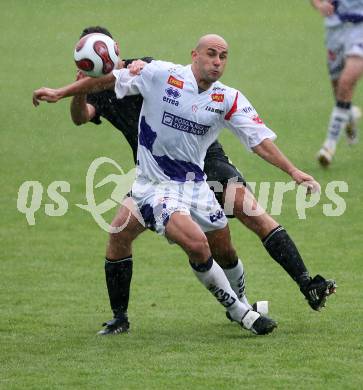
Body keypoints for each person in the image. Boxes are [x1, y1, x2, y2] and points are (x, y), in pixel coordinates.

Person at [33, 33, 336, 337]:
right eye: (211, 54)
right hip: (154, 184)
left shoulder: (226, 98)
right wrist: (61, 92)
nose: (217, 62)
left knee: (225, 245)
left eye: (223, 56)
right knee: (187, 242)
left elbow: (259, 141)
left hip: (197, 180)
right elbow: (105, 84)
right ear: (194, 55)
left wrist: (293, 171)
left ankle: (259, 295)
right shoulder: (160, 75)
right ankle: (240, 312)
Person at [311, 0, 363, 166]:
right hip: (336, 28)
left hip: (360, 28)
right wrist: (320, 5)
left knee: (347, 82)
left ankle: (329, 146)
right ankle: (349, 115)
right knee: (339, 89)